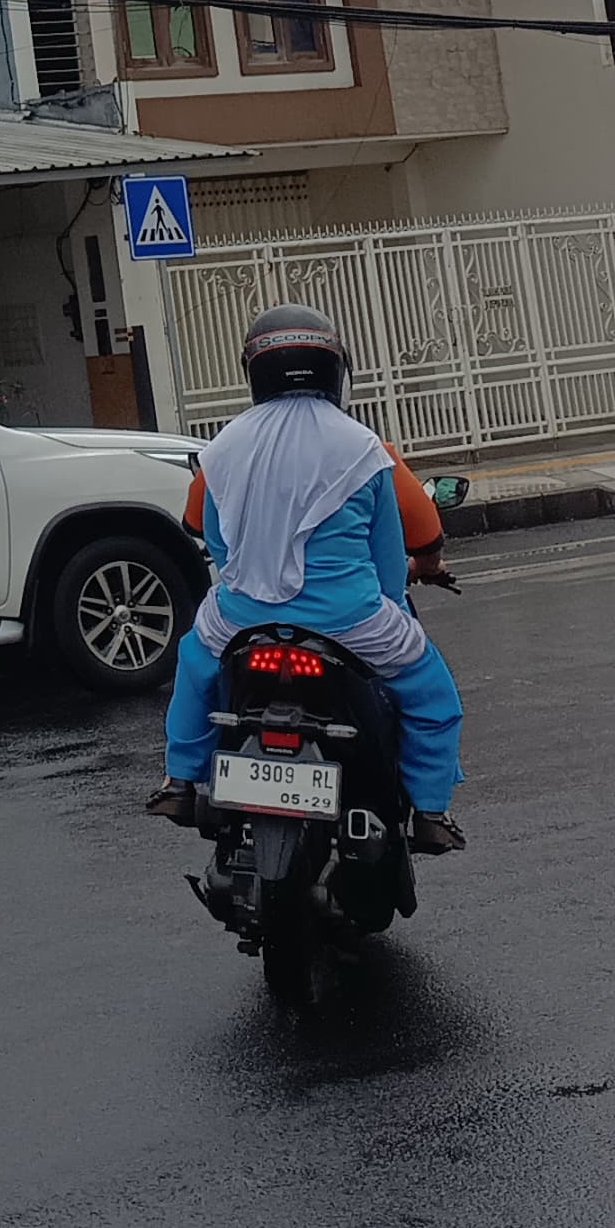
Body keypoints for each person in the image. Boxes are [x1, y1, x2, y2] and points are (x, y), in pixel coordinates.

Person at [144, 307, 467, 850]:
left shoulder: (221, 448)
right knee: (433, 697)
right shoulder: (363, 448)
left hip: (243, 619)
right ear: (335, 369)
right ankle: (431, 813)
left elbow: (211, 537)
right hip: (348, 619)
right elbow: (389, 561)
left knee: (196, 666)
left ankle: (180, 781)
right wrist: (388, 602)